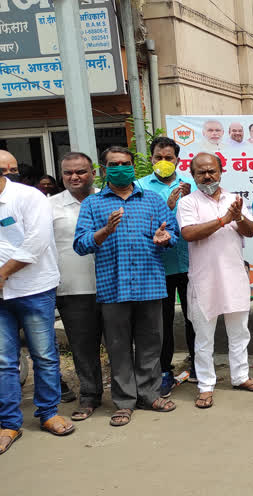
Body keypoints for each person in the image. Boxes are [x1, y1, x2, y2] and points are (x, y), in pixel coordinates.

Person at [74, 146, 179, 426]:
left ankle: (149, 394)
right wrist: (104, 231)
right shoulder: (93, 205)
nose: (121, 168)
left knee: (150, 344)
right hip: (113, 287)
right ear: (105, 169)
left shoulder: (154, 200)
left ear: (133, 166)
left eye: (125, 163)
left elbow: (175, 236)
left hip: (150, 284)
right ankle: (124, 402)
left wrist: (164, 238)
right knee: (118, 347)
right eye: (114, 164)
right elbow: (80, 244)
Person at [0, 151, 74, 456]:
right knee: (4, 361)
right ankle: (9, 423)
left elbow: (37, 241)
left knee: (44, 355)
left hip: (33, 289)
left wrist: (2, 273)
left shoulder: (29, 197)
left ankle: (48, 413)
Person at [178, 152, 253, 409]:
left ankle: (240, 376)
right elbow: (189, 233)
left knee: (239, 332)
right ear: (193, 175)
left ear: (221, 171)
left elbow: (250, 231)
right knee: (203, 337)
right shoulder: (188, 202)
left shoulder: (235, 200)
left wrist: (237, 217)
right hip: (204, 280)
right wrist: (222, 220)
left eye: (212, 171)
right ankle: (206, 385)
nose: (208, 176)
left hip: (234, 277)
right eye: (201, 172)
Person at [138, 137, 198, 394]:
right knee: (161, 322)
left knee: (194, 317)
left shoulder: (192, 184)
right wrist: (168, 207)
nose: (163, 162)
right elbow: (138, 224)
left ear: (178, 160)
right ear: (151, 160)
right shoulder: (139, 186)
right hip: (157, 266)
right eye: (158, 158)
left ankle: (198, 364)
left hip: (190, 263)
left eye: (168, 158)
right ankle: (164, 370)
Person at [50, 152, 103, 421]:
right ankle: (90, 395)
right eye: (68, 172)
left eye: (80, 171)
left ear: (92, 172)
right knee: (83, 348)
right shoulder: (50, 206)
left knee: (120, 345)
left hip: (114, 285)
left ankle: (125, 393)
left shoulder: (109, 198)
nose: (74, 177)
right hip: (73, 288)